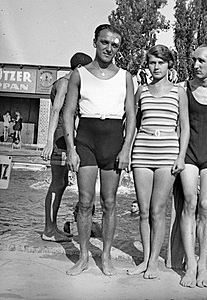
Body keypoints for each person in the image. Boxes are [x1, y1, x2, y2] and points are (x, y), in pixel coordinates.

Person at [63, 24, 136, 276]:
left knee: (110, 201)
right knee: (84, 202)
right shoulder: (80, 74)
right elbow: (69, 112)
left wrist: (126, 148)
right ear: (95, 42)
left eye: (115, 45)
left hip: (113, 138)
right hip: (86, 139)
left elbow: (131, 116)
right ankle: (83, 256)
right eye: (105, 42)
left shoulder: (125, 76)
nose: (109, 48)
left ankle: (105, 256)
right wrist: (71, 149)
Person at [127, 44, 189, 279]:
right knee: (143, 210)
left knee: (158, 210)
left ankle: (154, 260)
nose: (156, 67)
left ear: (168, 64)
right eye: (152, 62)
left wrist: (181, 156)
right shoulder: (141, 90)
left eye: (160, 62)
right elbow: (132, 122)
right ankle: (144, 260)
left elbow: (184, 127)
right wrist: (128, 150)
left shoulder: (178, 92)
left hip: (167, 154)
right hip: (142, 151)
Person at [178, 44, 207, 288]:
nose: (196, 65)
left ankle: (203, 263)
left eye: (202, 61)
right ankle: (190, 263)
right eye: (194, 60)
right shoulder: (184, 89)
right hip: (189, 152)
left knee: (206, 205)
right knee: (190, 202)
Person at [41, 52, 92, 242]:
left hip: (66, 139)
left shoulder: (72, 86)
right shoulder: (63, 83)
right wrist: (48, 142)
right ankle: (48, 229)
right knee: (56, 183)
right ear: (79, 68)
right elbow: (55, 111)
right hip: (60, 139)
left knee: (61, 183)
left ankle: (52, 227)